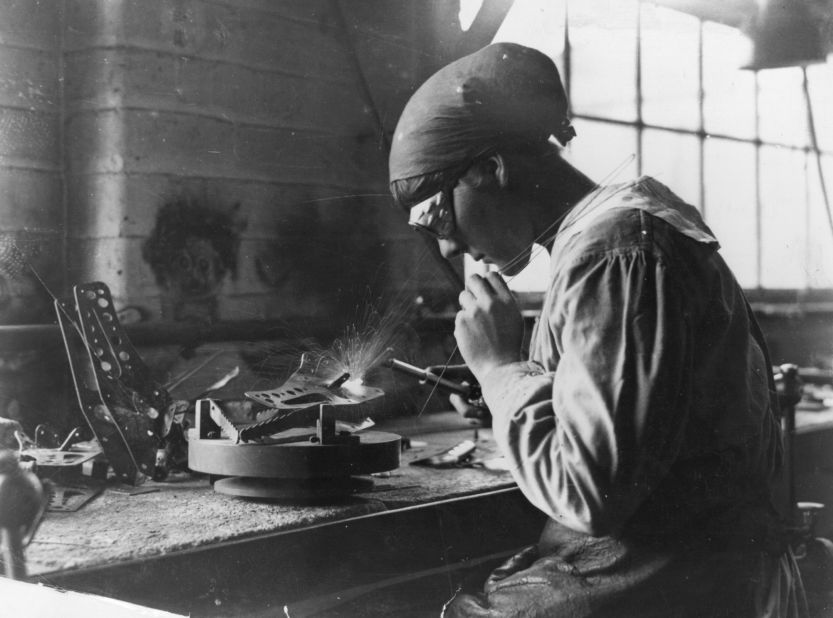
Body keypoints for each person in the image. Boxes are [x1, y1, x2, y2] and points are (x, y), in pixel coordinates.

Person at [388, 42, 807, 617]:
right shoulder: (632, 228)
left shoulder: (612, 254)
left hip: (670, 585)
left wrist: (501, 370)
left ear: (490, 168)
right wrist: (508, 398)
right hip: (704, 571)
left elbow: (590, 495)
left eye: (436, 217)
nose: (448, 247)